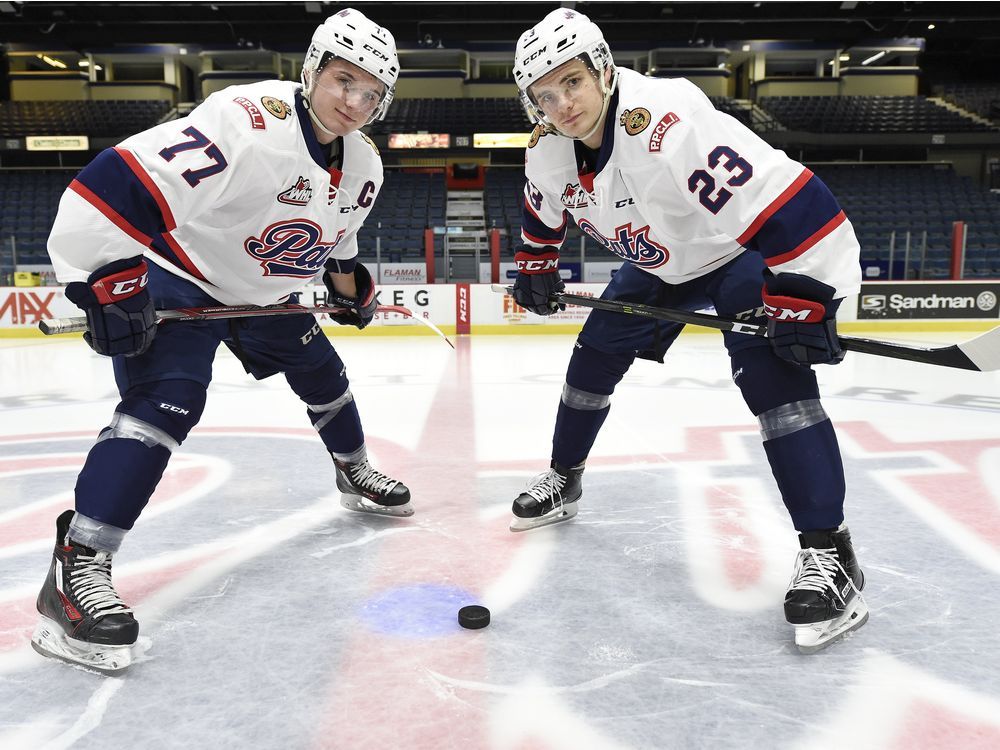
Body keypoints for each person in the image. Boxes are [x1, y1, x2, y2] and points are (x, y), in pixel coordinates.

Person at [32, 8, 411, 674]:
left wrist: (351, 284)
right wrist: (111, 282)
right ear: (312, 70)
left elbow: (338, 237)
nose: (355, 102)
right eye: (344, 81)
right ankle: (78, 566)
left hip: (266, 294)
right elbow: (110, 186)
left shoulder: (365, 163)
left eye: (372, 92)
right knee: (165, 405)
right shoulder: (246, 121)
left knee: (324, 375)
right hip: (182, 277)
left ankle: (352, 469)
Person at [507, 8, 867, 654]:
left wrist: (812, 295)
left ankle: (831, 554)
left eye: (572, 83)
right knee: (591, 360)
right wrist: (535, 264)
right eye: (544, 94)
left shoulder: (667, 123)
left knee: (772, 378)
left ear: (604, 71)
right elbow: (542, 204)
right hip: (656, 263)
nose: (561, 105)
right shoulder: (547, 149)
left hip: (731, 252)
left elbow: (792, 203)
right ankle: (566, 476)